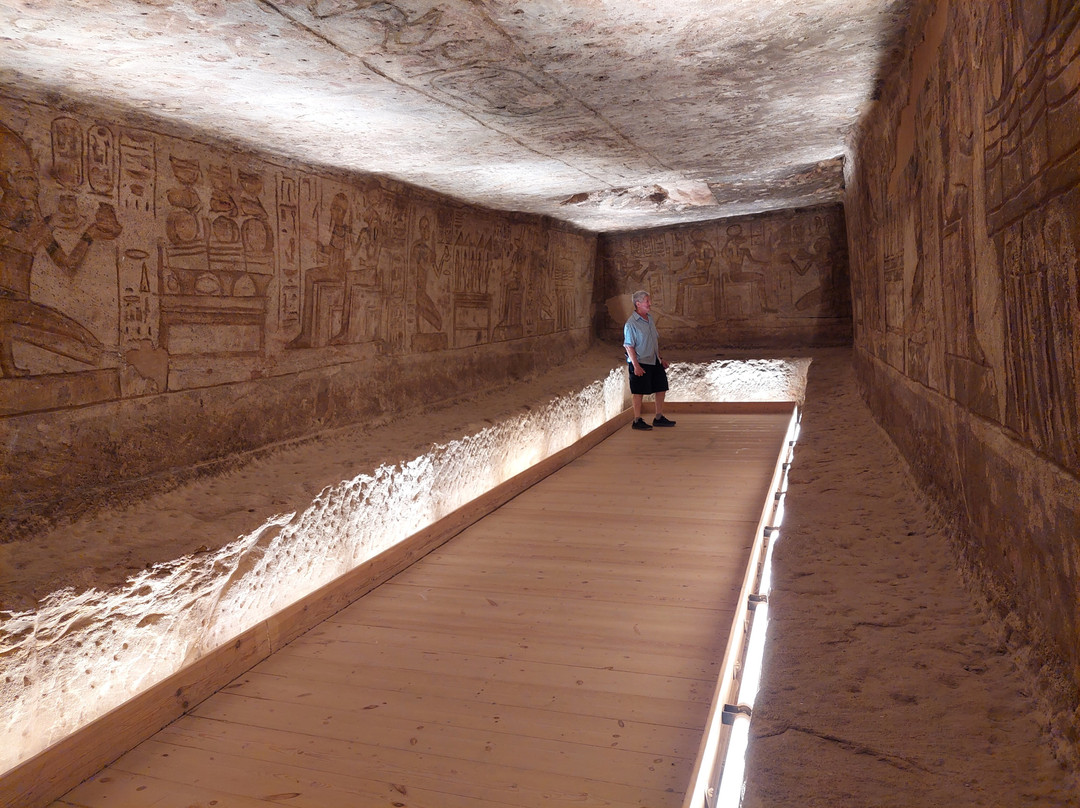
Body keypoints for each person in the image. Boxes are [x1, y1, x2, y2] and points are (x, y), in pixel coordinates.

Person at [623, 289, 676, 431]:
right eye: (647, 301)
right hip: (641, 362)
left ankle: (658, 417)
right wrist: (636, 366)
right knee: (638, 391)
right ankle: (637, 420)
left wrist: (660, 358)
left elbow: (654, 341)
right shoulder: (631, 324)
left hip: (654, 360)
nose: (650, 303)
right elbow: (629, 346)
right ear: (638, 303)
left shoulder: (650, 318)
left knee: (661, 387)